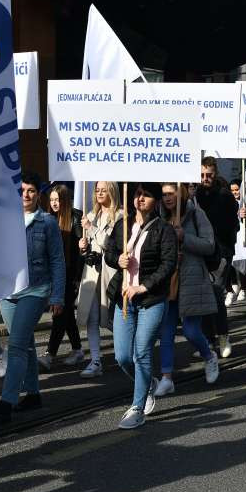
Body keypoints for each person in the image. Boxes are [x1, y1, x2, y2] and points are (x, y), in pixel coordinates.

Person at [0, 172, 65, 422]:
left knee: (17, 345)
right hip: (9, 292)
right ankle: (33, 394)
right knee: (26, 343)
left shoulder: (47, 222)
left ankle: (7, 401)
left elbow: (57, 260)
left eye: (31, 190)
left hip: (36, 290)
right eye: (22, 190)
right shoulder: (5, 220)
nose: (26, 195)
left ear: (38, 194)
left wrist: (57, 296)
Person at [103, 182, 177, 429]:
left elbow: (168, 265)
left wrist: (143, 286)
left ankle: (137, 406)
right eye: (137, 194)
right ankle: (148, 383)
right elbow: (109, 253)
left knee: (141, 351)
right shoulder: (122, 225)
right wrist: (118, 258)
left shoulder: (164, 230)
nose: (140, 199)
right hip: (124, 299)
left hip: (150, 299)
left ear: (155, 200)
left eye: (146, 195)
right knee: (123, 356)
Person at [153, 183, 220, 397]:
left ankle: (209, 357)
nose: (167, 198)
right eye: (163, 194)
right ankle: (166, 378)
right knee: (166, 332)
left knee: (191, 331)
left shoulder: (195, 213)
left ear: (180, 192)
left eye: (171, 193)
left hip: (191, 279)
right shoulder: (160, 217)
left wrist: (185, 238)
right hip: (168, 280)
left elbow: (209, 245)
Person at [76, 181, 123, 379]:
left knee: (110, 318)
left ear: (112, 191)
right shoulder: (91, 214)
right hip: (91, 271)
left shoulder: (120, 216)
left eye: (104, 189)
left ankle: (128, 350)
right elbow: (88, 247)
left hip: (108, 272)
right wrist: (82, 247)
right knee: (91, 318)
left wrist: (92, 228)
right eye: (97, 190)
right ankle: (96, 360)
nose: (100, 193)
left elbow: (109, 243)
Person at [194, 157, 238, 358]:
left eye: (209, 175)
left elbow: (231, 226)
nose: (205, 178)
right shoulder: (195, 195)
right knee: (204, 296)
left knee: (216, 294)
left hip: (221, 253)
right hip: (202, 251)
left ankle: (223, 336)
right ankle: (208, 341)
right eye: (202, 175)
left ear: (215, 173)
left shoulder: (225, 196)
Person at [38, 184, 85, 370]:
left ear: (65, 200)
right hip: (54, 274)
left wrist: (78, 277)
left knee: (60, 313)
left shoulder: (76, 217)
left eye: (57, 199)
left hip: (71, 274)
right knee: (66, 315)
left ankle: (50, 354)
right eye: (51, 200)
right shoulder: (48, 219)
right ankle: (77, 349)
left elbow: (81, 250)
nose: (54, 203)